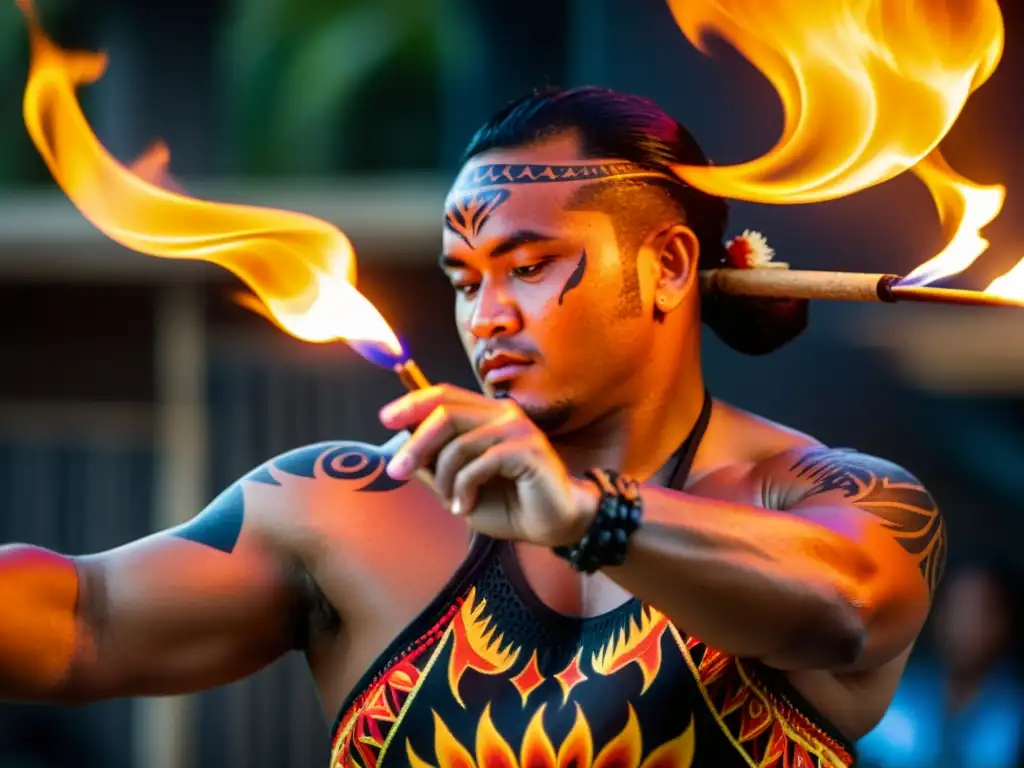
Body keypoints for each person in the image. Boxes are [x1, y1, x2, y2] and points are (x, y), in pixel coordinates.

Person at [0, 86, 946, 767]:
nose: (484, 315)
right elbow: (86, 620)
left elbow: (854, 610)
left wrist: (584, 517)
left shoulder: (821, 494)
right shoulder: (347, 506)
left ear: (666, 266)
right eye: (466, 279)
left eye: (529, 265)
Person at [857, 563, 1024, 767]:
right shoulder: (896, 695)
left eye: (980, 612)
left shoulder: (1013, 710)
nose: (965, 623)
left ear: (1006, 624)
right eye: (956, 608)